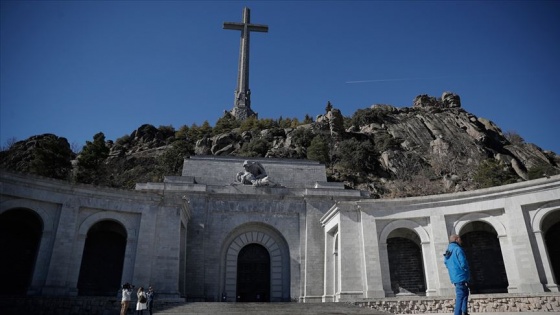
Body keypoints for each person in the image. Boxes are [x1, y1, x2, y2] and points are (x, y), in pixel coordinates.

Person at [444, 234, 471, 315]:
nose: (461, 241)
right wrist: (466, 271)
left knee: (465, 293)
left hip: (454, 276)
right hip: (461, 275)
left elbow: (445, 263)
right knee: (460, 295)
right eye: (460, 239)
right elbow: (463, 262)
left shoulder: (448, 250)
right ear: (456, 239)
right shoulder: (458, 249)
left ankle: (464, 311)